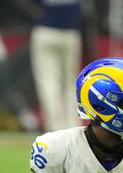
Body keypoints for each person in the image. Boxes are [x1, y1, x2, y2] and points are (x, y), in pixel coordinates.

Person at [29, 0, 82, 131]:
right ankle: (73, 127)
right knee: (70, 84)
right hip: (70, 33)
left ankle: (56, 129)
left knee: (48, 82)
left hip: (46, 31)